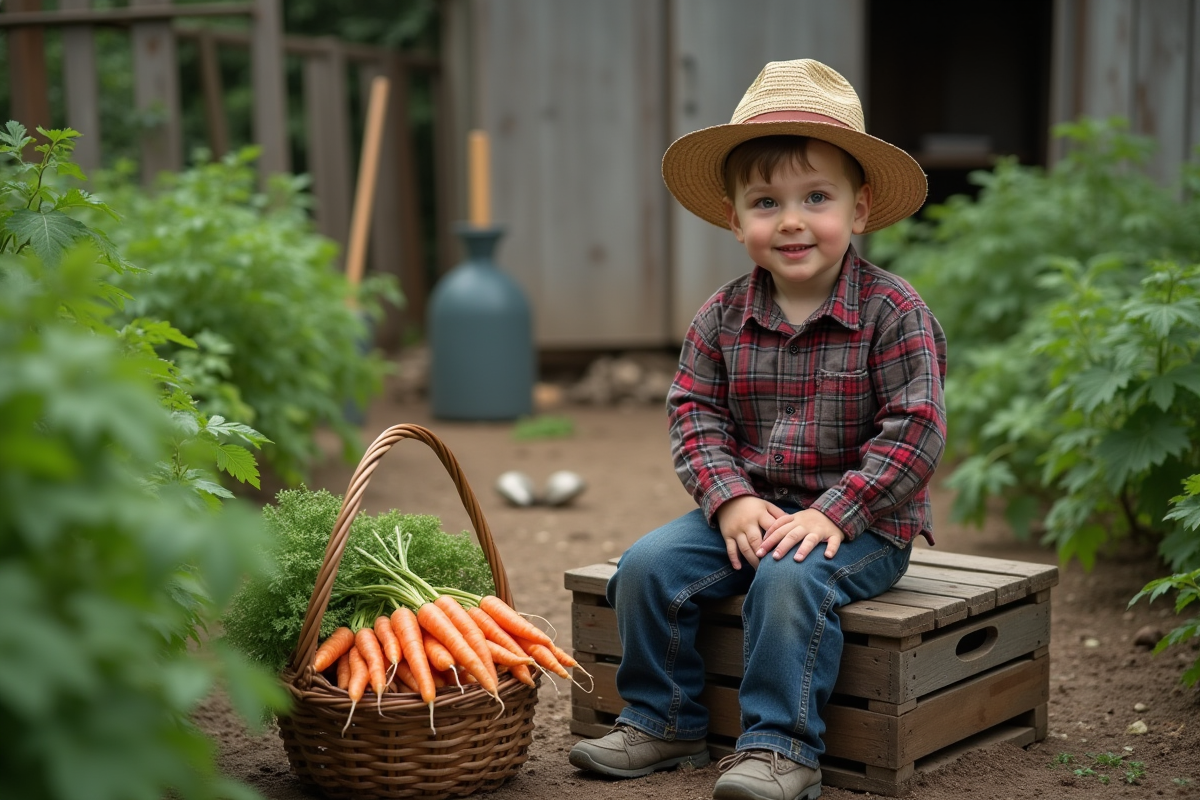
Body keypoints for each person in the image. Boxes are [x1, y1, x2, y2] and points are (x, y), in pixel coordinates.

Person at [567, 59, 947, 800]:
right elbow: (693, 413)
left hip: (863, 524)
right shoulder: (720, 315)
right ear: (736, 219)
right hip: (752, 509)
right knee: (645, 566)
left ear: (860, 209)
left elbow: (916, 428)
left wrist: (836, 512)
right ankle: (665, 719)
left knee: (788, 576)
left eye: (817, 197)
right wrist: (730, 499)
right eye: (767, 202)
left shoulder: (893, 312)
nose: (793, 220)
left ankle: (780, 748)